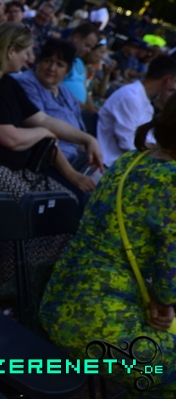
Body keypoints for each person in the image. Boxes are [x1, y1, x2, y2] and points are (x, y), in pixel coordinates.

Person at [40, 95, 176, 399]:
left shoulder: (132, 159)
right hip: (100, 328)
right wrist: (164, 303)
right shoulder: (172, 181)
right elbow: (168, 286)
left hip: (58, 305)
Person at [0, 22, 101, 201]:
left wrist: (87, 139)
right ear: (11, 51)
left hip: (8, 167)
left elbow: (43, 120)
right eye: (26, 52)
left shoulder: (7, 83)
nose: (28, 59)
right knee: (34, 204)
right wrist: (43, 132)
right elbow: (10, 138)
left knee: (65, 200)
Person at [98, 55, 176, 166]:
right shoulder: (130, 97)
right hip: (110, 164)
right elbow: (127, 143)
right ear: (168, 79)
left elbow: (148, 140)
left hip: (130, 163)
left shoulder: (144, 100)